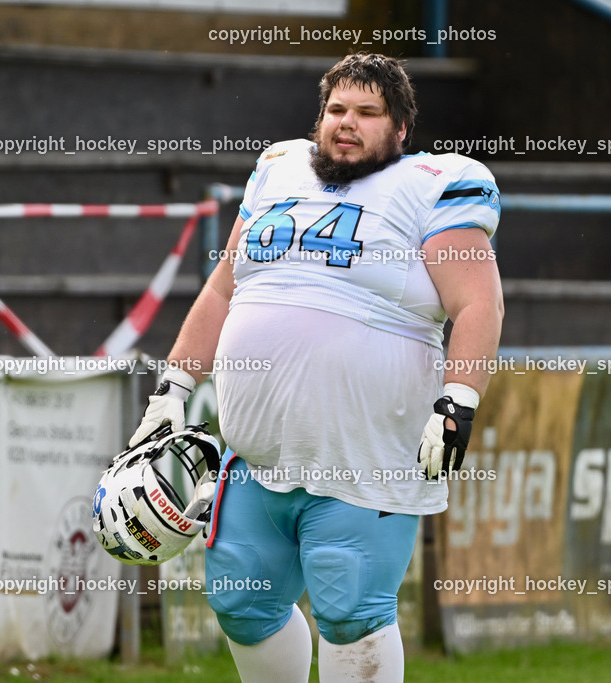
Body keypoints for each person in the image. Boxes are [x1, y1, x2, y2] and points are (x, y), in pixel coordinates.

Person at [127, 53, 502, 682]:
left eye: (367, 112)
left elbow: (477, 301)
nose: (346, 123)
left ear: (400, 128)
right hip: (257, 456)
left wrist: (458, 399)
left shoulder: (434, 184)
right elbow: (223, 291)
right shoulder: (278, 171)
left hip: (365, 457)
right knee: (242, 601)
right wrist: (173, 387)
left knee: (351, 609)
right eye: (336, 110)